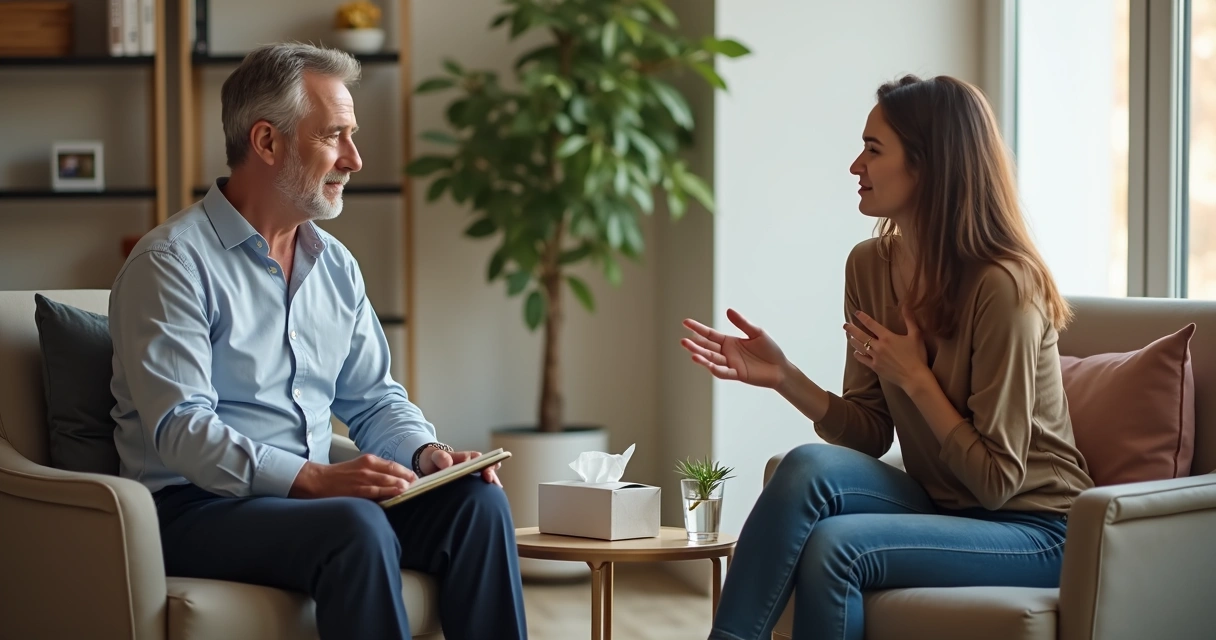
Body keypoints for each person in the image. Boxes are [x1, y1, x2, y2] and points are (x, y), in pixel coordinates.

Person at [108, 43, 527, 640]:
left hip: (313, 502)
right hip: (193, 509)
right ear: (267, 142)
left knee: (476, 507)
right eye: (334, 136)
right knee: (355, 527)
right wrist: (315, 479)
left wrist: (424, 455)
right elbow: (181, 430)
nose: (354, 159)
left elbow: (375, 400)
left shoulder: (334, 265)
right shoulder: (171, 263)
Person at [680, 74, 1094, 640]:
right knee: (806, 466)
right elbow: (872, 430)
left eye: (874, 150)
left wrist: (918, 380)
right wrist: (784, 376)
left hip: (1036, 527)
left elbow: (998, 482)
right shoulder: (869, 267)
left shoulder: (1004, 288)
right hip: (941, 502)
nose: (856, 166)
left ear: (929, 166)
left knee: (836, 547)